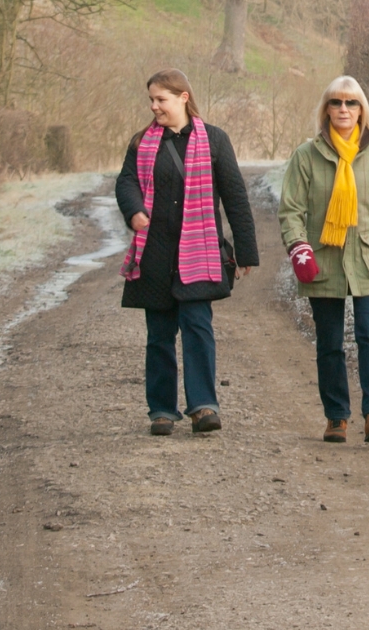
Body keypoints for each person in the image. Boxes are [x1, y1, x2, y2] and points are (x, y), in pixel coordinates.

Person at [116, 69, 259, 436]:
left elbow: (235, 196)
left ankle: (203, 407)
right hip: (156, 255)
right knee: (159, 335)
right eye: (151, 100)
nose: (154, 106)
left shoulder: (214, 140)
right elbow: (126, 181)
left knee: (198, 328)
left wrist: (246, 252)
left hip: (199, 252)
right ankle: (161, 410)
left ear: (183, 97)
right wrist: (134, 211)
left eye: (161, 99)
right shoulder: (141, 143)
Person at [278, 75, 369, 444]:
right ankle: (336, 417)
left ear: (362, 110)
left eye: (351, 103)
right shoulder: (306, 156)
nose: (344, 109)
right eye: (336, 103)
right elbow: (291, 211)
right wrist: (299, 248)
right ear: (326, 109)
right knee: (330, 341)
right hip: (323, 262)